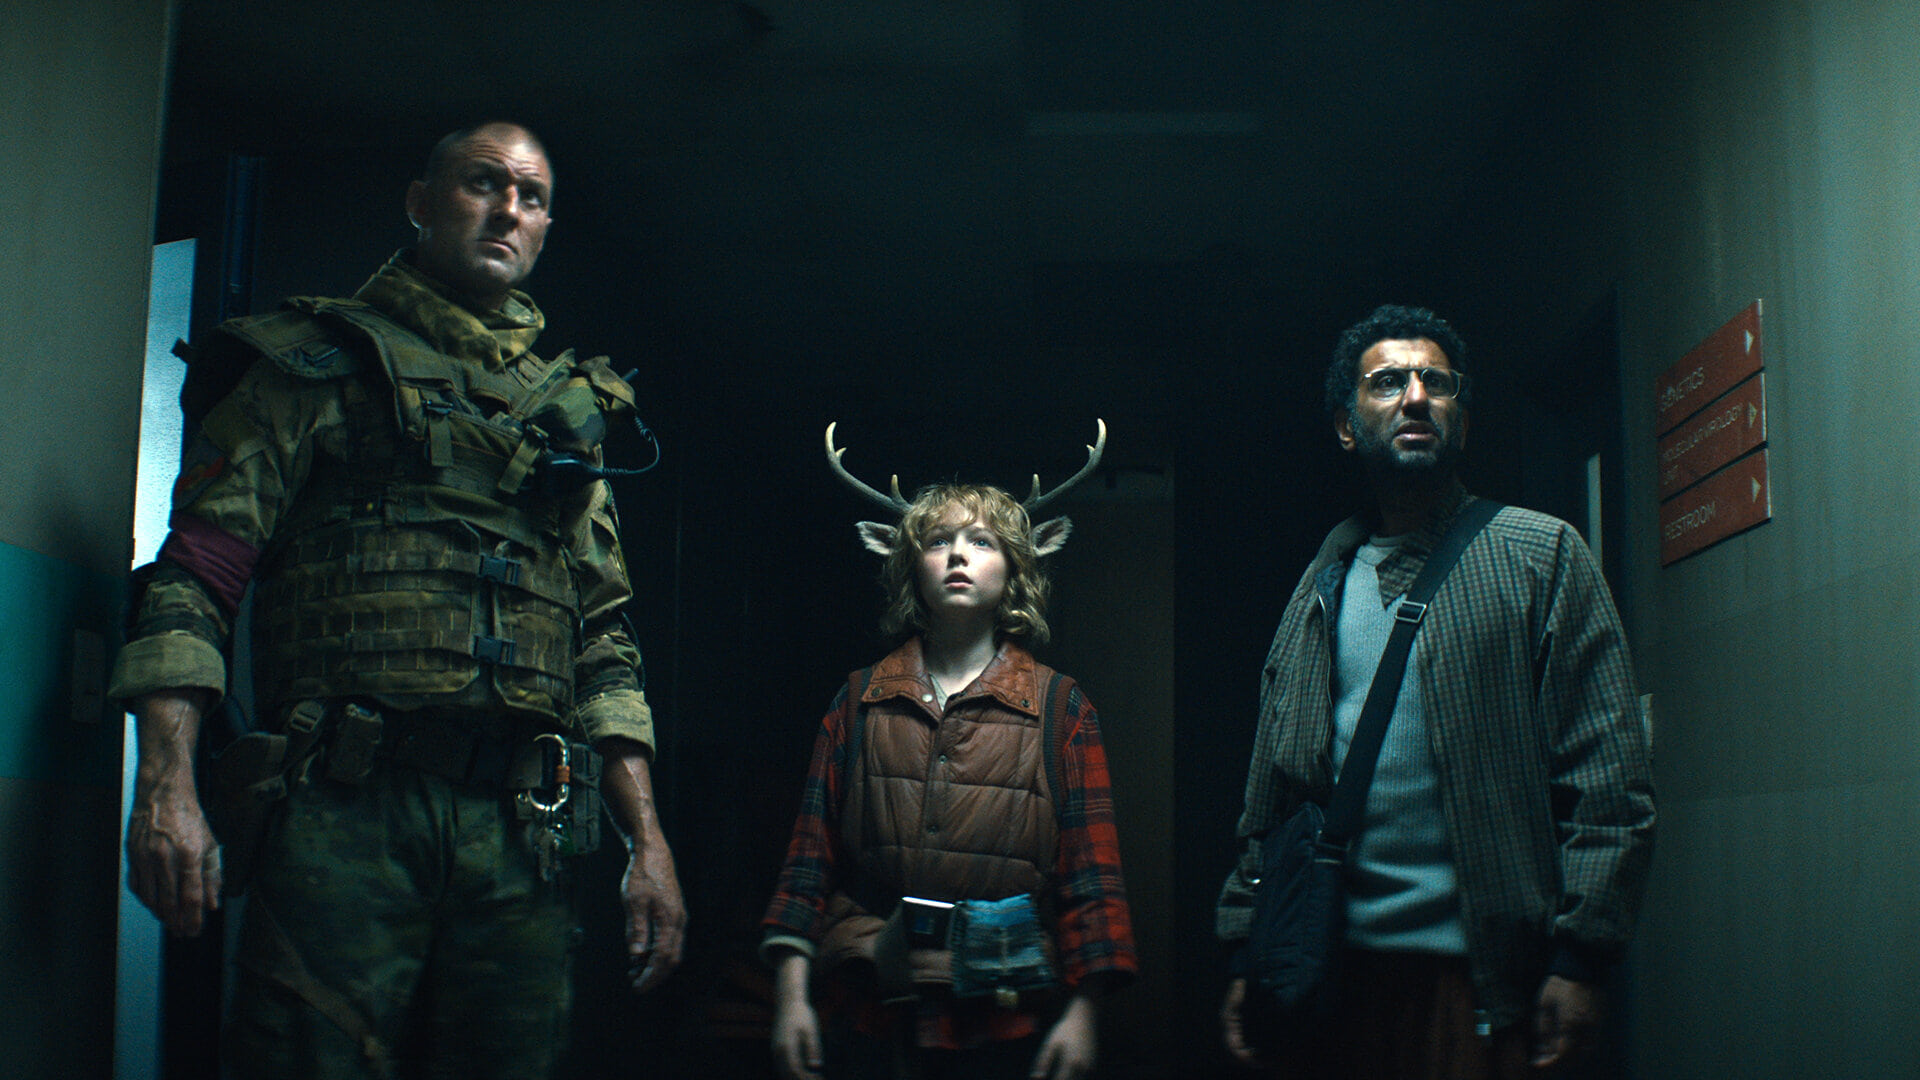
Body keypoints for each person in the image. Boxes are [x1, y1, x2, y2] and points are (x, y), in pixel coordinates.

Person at [111, 122, 686, 1079]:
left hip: (521, 833)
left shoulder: (567, 421)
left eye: (532, 197)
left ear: (546, 227)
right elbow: (196, 578)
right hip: (346, 811)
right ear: (421, 202)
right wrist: (166, 786)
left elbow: (602, 643)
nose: (507, 210)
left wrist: (648, 844)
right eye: (482, 183)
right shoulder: (311, 366)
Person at [1216, 305, 1655, 1078]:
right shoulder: (1321, 583)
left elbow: (1608, 782)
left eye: (1436, 383)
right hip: (1333, 979)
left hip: (1484, 988)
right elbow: (1273, 792)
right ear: (1347, 426)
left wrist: (1581, 960)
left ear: (1462, 421)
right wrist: (1247, 948)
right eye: (1388, 382)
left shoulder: (1539, 555)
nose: (1416, 397)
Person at [761, 426, 1137, 1080]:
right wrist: (791, 997)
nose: (959, 554)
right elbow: (808, 859)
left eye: (982, 541)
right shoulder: (858, 700)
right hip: (871, 1005)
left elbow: (1091, 876)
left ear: (1017, 566)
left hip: (1005, 1010)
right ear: (910, 564)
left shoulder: (1062, 708)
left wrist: (1085, 1014)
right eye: (938, 541)